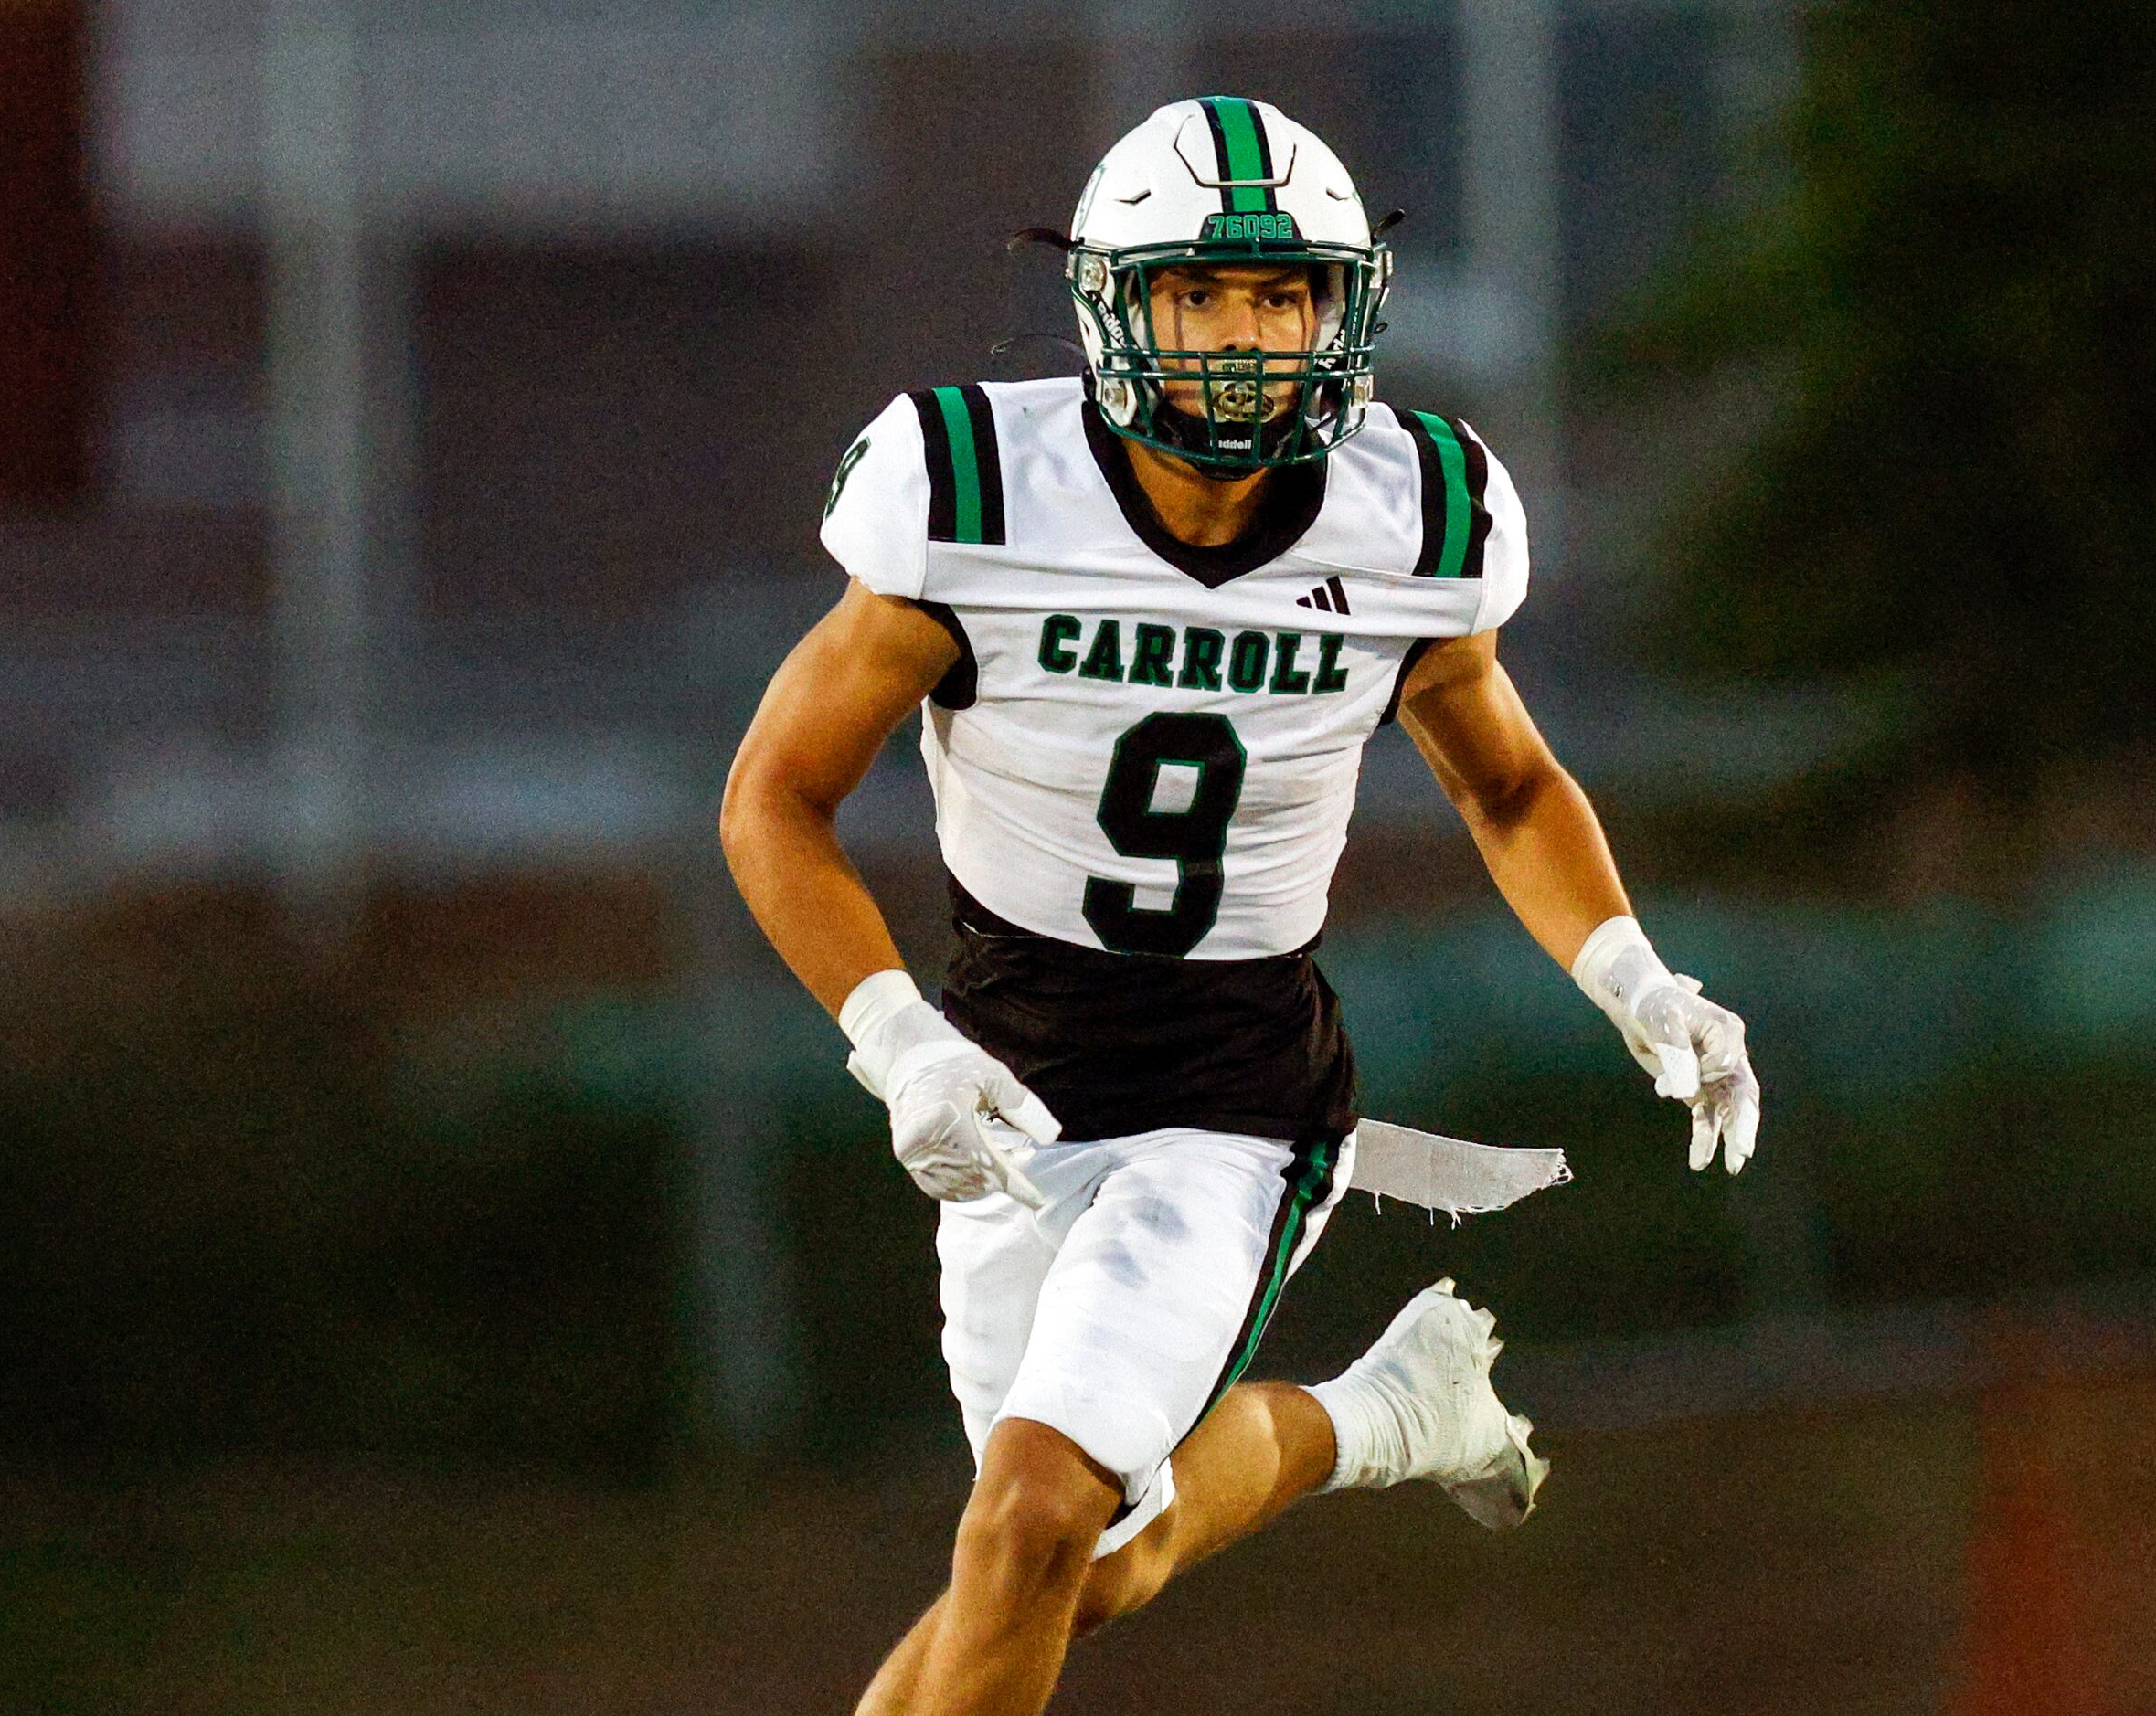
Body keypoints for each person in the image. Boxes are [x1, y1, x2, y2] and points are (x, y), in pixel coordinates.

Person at [719, 95, 1759, 1716]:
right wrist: (895, 1040)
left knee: (1033, 1514)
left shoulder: (1410, 512)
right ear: (1115, 307)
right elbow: (774, 798)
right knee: (1082, 1566)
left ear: (1342, 312)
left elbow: (1507, 783)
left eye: (1284, 299)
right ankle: (1385, 1413)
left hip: (1233, 1097)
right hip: (1001, 1074)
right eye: (1202, 294)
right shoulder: (976, 491)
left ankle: (1374, 1408)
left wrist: (1635, 974)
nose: (1246, 340)